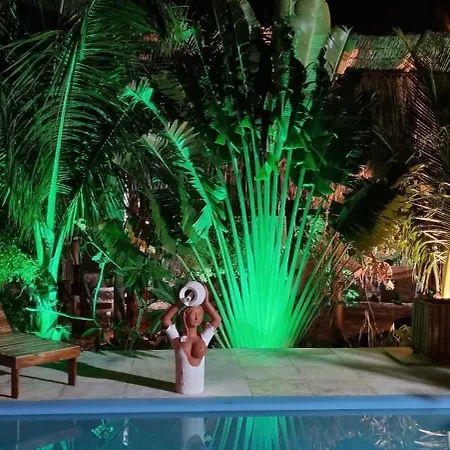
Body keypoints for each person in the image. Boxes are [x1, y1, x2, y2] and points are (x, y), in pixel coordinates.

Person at [161, 284, 221, 395]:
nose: (197, 318)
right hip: (181, 389)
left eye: (199, 315)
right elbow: (166, 321)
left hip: (199, 388)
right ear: (185, 316)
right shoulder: (177, 339)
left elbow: (217, 320)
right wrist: (179, 303)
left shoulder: (204, 338)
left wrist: (206, 303)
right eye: (193, 314)